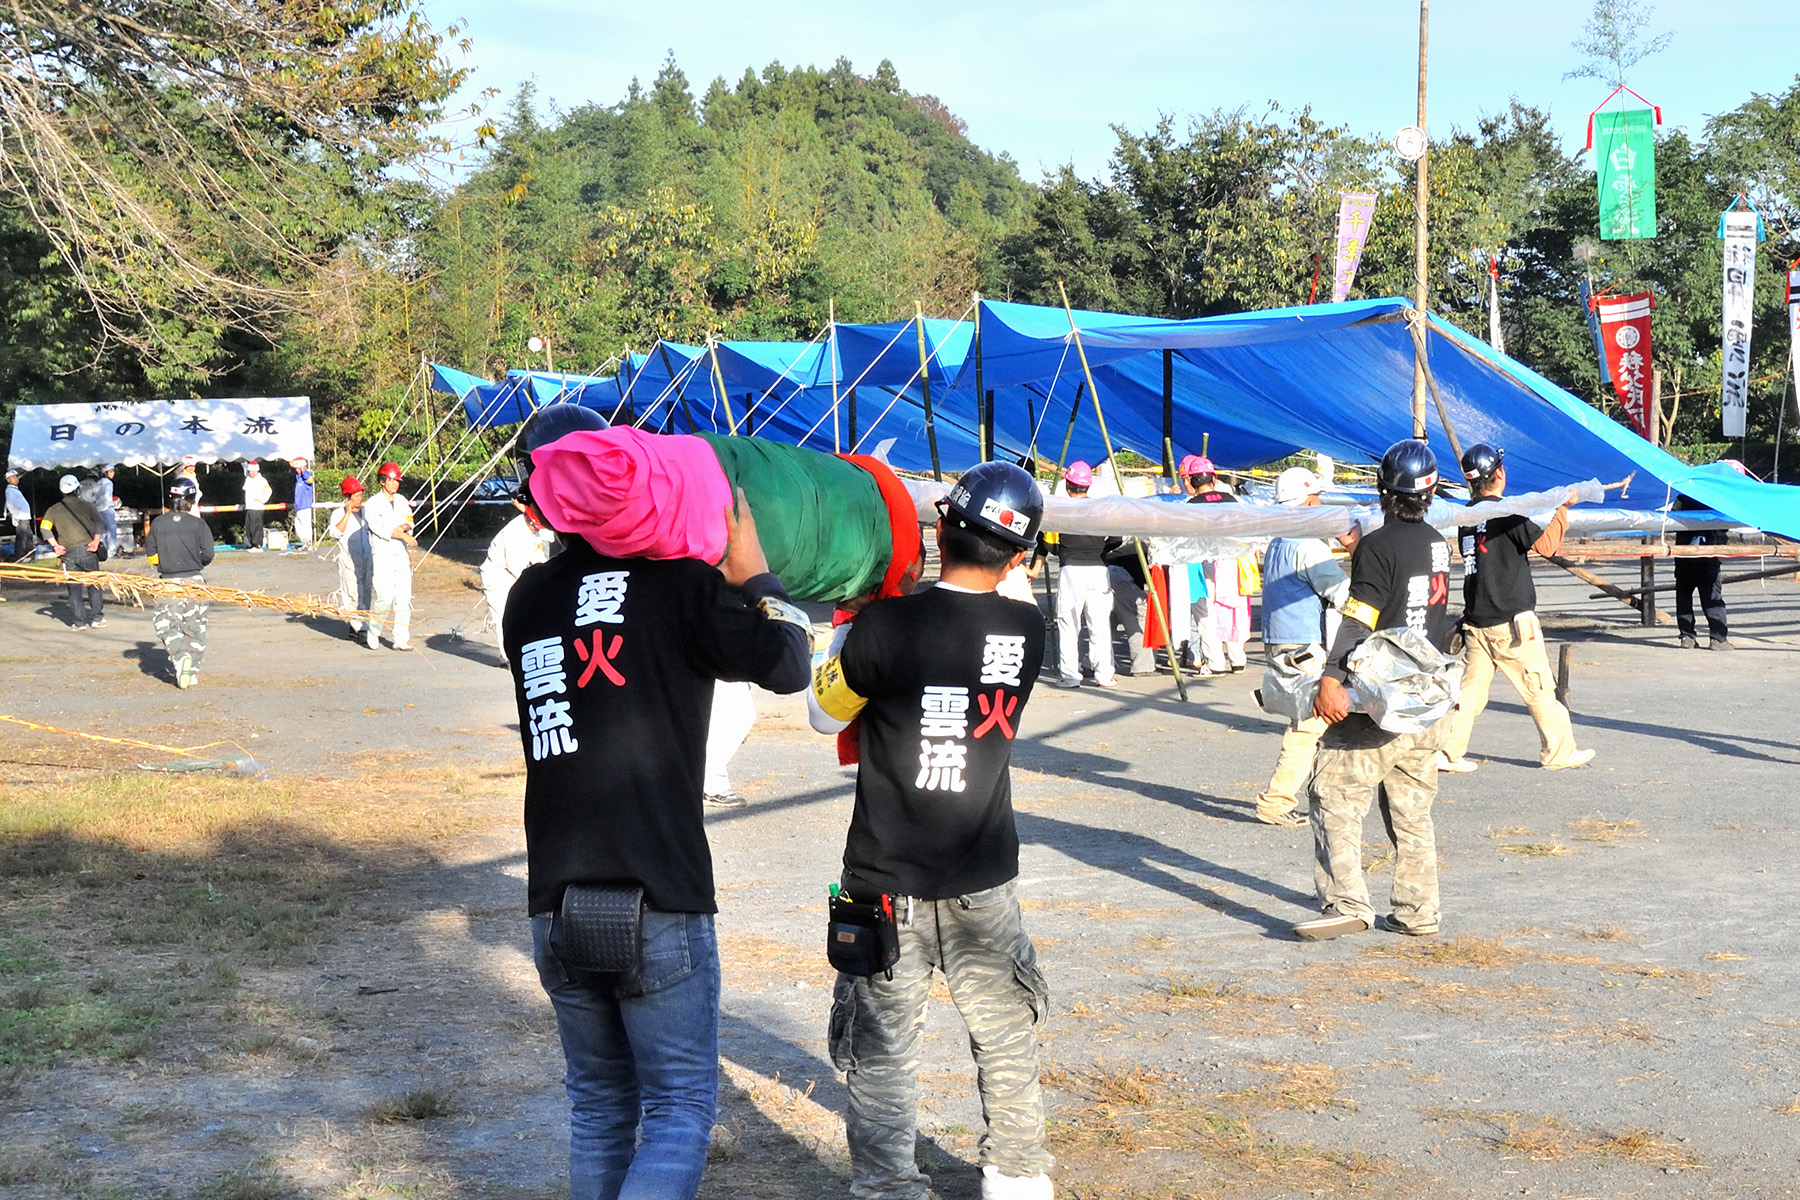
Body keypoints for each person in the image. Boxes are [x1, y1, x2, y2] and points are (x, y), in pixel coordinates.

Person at [505, 406, 810, 1200]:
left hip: (555, 895)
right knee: (677, 1108)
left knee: (601, 1108)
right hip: (661, 895)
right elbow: (786, 666)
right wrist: (757, 578)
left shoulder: (528, 601)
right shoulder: (683, 587)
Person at [809, 461, 1055, 1200]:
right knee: (1006, 1035)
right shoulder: (1026, 629)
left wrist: (844, 633)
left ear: (939, 528)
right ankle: (1015, 1177)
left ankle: (887, 1185)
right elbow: (999, 593)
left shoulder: (886, 628)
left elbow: (826, 714)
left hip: (885, 880)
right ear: (1020, 558)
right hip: (984, 875)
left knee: (881, 1050)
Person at [1295, 439, 1453, 942]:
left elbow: (1359, 618)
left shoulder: (1378, 546)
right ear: (1431, 492)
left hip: (1378, 705)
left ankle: (1346, 903)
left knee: (1335, 795)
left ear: (1383, 489)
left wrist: (1330, 678)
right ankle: (1417, 909)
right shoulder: (1438, 542)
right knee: (1412, 810)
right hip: (1425, 701)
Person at [1438, 443, 1594, 773]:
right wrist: (1561, 508)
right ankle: (1558, 752)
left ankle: (1448, 751)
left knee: (1470, 693)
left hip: (1476, 620)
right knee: (1539, 687)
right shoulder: (1507, 512)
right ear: (1499, 474)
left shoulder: (1468, 516)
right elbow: (1547, 546)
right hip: (1510, 621)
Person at [1254, 467, 1350, 826]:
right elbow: (1340, 592)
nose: (1321, 504)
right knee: (1309, 725)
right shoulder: (1308, 545)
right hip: (1304, 643)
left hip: (1278, 638)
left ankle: (1322, 789)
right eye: (1318, 498)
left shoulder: (1279, 540)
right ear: (1308, 501)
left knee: (1318, 722)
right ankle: (1275, 802)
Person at [1032, 461, 1120, 689]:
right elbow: (1116, 538)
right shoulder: (1100, 509)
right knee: (1099, 625)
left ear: (1068, 486)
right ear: (1087, 486)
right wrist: (1099, 549)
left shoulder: (1061, 510)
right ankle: (1104, 675)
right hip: (1099, 569)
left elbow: (1047, 544)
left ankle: (1070, 675)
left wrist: (1063, 550)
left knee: (1069, 624)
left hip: (1071, 569)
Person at [145, 477, 215, 688]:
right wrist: (194, 562)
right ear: (191, 500)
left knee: (166, 624)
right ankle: (191, 671)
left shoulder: (158, 523)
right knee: (195, 627)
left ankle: (179, 655)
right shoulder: (198, 524)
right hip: (195, 580)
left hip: (167, 582)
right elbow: (209, 554)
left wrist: (166, 562)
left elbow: (151, 556)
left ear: (171, 498)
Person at [480, 496, 558, 660]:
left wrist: (546, 572)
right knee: (503, 616)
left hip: (512, 572)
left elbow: (537, 553)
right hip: (498, 574)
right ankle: (507, 656)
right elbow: (515, 566)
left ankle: (522, 649)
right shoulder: (514, 533)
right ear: (532, 522)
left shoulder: (534, 530)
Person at [41, 474, 107, 629]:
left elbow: (44, 528)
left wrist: (55, 545)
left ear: (61, 491)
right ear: (78, 488)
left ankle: (79, 623)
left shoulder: (54, 509)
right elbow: (100, 522)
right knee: (94, 585)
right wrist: (96, 542)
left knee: (74, 589)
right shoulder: (87, 505)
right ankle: (97, 618)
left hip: (68, 554)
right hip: (88, 550)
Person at [363, 461, 417, 650]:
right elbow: (380, 529)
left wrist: (405, 527)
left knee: (404, 596)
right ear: (383, 481)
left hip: (400, 553)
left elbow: (410, 520)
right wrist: (402, 535)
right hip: (382, 554)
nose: (395, 484)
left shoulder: (402, 500)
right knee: (384, 596)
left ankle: (401, 638)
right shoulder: (372, 504)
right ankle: (374, 630)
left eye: (397, 481)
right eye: (392, 480)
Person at [1672, 494, 1730, 650]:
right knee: (1712, 596)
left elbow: (1672, 518)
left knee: (1684, 596)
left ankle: (1687, 636)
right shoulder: (1715, 495)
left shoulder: (1683, 497)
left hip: (1684, 553)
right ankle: (1718, 639)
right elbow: (1725, 523)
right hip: (1707, 553)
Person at [327, 476, 374, 640]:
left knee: (366, 592)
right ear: (347, 498)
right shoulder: (338, 514)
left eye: (361, 495)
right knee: (353, 593)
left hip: (367, 559)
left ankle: (361, 623)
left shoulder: (366, 513)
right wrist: (347, 513)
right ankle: (358, 626)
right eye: (356, 496)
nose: (360, 499)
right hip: (349, 560)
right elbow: (335, 533)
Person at [242, 460, 272, 551]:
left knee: (256, 527)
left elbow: (269, 491)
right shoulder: (248, 479)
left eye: (254, 471)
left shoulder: (262, 480)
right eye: (250, 471)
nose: (252, 473)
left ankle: (258, 544)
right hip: (250, 507)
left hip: (257, 507)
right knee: (249, 527)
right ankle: (252, 544)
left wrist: (262, 500)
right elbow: (244, 468)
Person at [6, 468, 34, 562]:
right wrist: (14, 516)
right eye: (14, 477)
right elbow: (10, 504)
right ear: (9, 479)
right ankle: (20, 555)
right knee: (22, 536)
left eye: (16, 477)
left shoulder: (14, 490)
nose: (16, 479)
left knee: (28, 536)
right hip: (20, 517)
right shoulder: (10, 490)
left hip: (24, 516)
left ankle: (30, 552)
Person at [95, 464, 119, 557]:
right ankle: (111, 551)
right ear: (106, 473)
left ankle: (102, 550)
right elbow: (107, 497)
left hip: (99, 508)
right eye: (111, 471)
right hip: (107, 508)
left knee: (102, 531)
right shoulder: (108, 483)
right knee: (111, 530)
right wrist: (112, 503)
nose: (113, 473)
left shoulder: (99, 482)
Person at [291, 457, 316, 548]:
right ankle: (305, 542)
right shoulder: (299, 478)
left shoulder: (307, 476)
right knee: (298, 526)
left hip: (305, 506)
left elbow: (310, 479)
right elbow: (298, 475)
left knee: (306, 525)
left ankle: (309, 543)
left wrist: (303, 470)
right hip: (298, 506)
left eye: (298, 468)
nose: (296, 470)